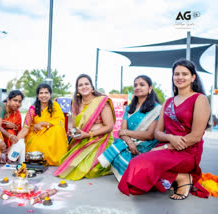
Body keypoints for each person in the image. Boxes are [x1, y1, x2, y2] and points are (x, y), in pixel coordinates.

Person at [118, 59, 210, 199]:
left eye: (184, 74)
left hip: (188, 151)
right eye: (176, 74)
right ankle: (179, 177)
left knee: (142, 165)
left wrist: (166, 146)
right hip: (167, 147)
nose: (179, 77)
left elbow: (196, 136)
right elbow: (158, 133)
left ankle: (182, 178)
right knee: (136, 164)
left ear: (193, 77)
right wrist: (169, 138)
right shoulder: (168, 101)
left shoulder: (200, 99)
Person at [98, 75, 161, 181]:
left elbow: (149, 135)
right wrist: (130, 142)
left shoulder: (157, 109)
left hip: (144, 146)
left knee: (120, 152)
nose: (137, 87)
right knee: (118, 146)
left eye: (142, 85)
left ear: (150, 88)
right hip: (129, 144)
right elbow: (120, 132)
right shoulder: (129, 108)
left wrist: (126, 133)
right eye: (135, 85)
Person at [54, 74, 116, 180]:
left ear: (92, 87)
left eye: (87, 84)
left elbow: (109, 126)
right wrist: (72, 132)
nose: (84, 86)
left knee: (88, 170)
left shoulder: (102, 101)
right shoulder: (76, 105)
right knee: (66, 164)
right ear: (77, 90)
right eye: (80, 85)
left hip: (101, 139)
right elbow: (75, 127)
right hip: (83, 139)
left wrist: (88, 134)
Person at [17, 83, 68, 166]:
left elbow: (60, 121)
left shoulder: (55, 106)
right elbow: (26, 127)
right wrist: (16, 142)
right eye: (41, 93)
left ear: (50, 95)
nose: (44, 95)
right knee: (37, 144)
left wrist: (43, 123)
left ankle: (56, 157)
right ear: (37, 95)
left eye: (46, 93)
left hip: (51, 132)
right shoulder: (32, 109)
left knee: (58, 128)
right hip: (36, 132)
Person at [0, 90, 24, 156]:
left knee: (12, 132)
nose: (17, 104)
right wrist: (9, 135)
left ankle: (10, 153)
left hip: (8, 135)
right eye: (15, 100)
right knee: (10, 133)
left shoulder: (16, 112)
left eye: (19, 101)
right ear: (8, 100)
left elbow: (19, 129)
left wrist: (15, 127)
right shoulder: (0, 107)